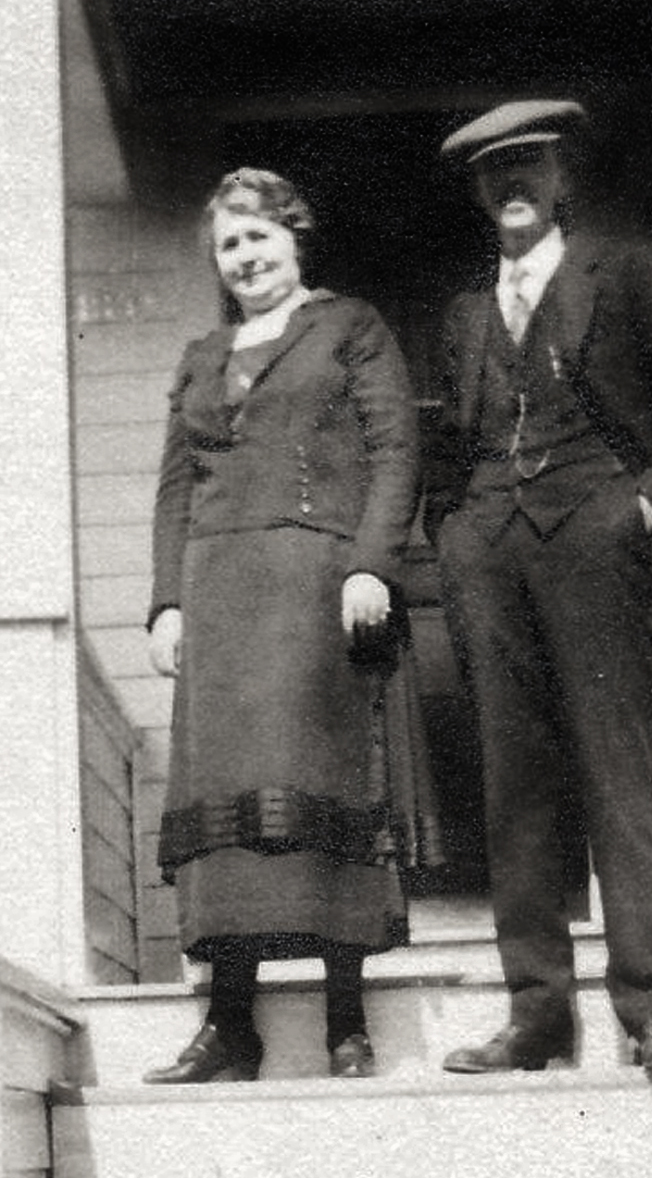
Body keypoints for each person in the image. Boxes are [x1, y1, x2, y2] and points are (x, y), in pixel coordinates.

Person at [425, 101, 652, 1073]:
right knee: (514, 786)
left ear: (561, 177)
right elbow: (451, 450)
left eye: (528, 164)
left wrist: (643, 507)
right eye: (493, 172)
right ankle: (537, 1015)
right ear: (478, 193)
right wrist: (454, 539)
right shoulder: (465, 313)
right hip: (491, 557)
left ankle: (649, 1013)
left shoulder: (626, 273)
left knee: (616, 777)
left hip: (599, 547)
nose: (511, 184)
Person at [143, 167, 433, 1083]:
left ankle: (347, 1019)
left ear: (294, 237)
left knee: (324, 791)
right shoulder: (201, 355)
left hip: (317, 589)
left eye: (258, 236)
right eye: (228, 244)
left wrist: (371, 563)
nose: (244, 257)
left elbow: (396, 451)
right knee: (226, 807)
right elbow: (175, 488)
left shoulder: (348, 327)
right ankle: (231, 1024)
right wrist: (166, 601)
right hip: (217, 597)